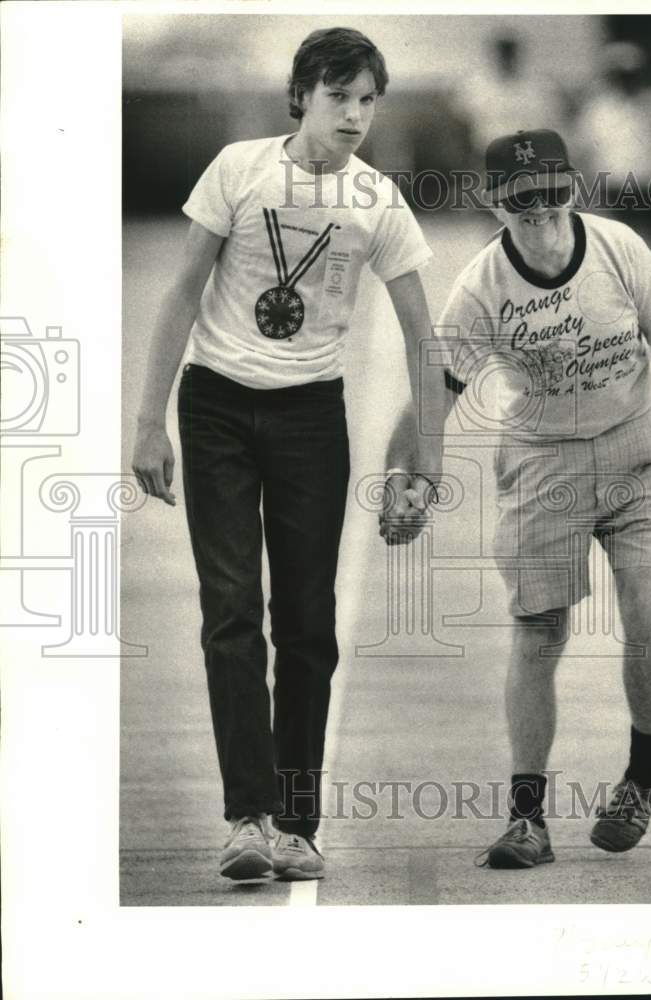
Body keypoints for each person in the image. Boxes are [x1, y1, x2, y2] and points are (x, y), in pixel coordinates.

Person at [131, 27, 443, 883]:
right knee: (231, 612)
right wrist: (148, 422)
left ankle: (298, 825)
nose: (354, 115)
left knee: (306, 624)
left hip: (310, 418)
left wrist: (431, 462)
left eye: (368, 100)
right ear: (301, 95)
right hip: (217, 406)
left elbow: (425, 340)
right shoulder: (238, 168)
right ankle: (246, 817)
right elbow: (181, 293)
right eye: (339, 96)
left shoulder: (377, 200)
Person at [381, 129, 651, 869]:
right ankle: (527, 819)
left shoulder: (617, 249)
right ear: (493, 202)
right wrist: (406, 479)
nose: (538, 210)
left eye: (551, 192)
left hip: (638, 444)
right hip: (544, 459)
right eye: (520, 199)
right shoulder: (480, 286)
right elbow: (431, 393)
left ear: (571, 187)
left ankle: (643, 773)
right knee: (539, 630)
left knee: (643, 604)